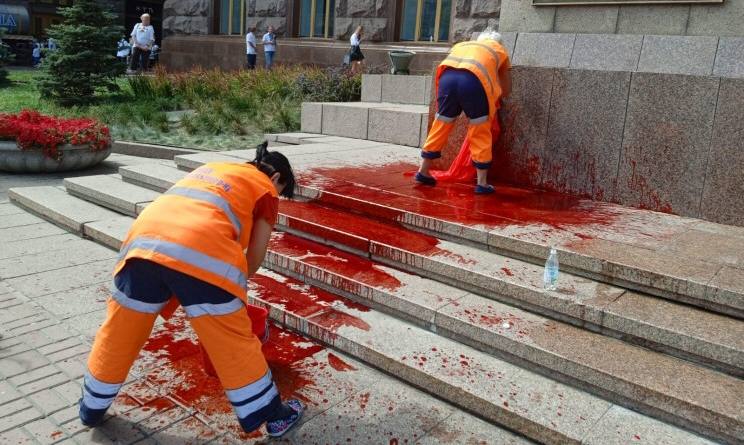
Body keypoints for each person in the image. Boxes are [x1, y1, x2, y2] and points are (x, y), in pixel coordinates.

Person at [78, 142, 305, 438]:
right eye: (281, 190)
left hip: (141, 246)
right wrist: (231, 296)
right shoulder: (264, 188)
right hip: (202, 253)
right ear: (276, 179)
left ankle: (91, 407)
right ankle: (274, 416)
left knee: (119, 331)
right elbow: (254, 258)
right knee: (233, 341)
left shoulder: (214, 168)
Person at [415, 29, 512, 194]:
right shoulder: (499, 51)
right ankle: (482, 183)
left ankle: (423, 171)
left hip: (447, 79)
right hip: (473, 83)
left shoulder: (463, 45)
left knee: (442, 124)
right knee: (479, 128)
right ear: (498, 42)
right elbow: (507, 88)